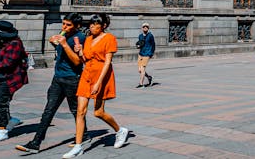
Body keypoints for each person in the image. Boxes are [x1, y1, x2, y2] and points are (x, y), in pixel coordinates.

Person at [16, 13, 85, 153]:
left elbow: (78, 62)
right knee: (49, 110)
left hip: (72, 79)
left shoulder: (80, 38)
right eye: (63, 23)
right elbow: (59, 50)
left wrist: (65, 44)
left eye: (68, 25)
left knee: (76, 111)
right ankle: (36, 143)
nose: (64, 27)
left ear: (77, 26)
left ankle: (85, 134)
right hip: (58, 78)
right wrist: (53, 41)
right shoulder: (63, 33)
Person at [63, 13, 128, 158]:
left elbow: (107, 62)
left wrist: (99, 82)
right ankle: (78, 146)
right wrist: (79, 53)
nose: (91, 26)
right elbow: (85, 60)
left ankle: (120, 130)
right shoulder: (88, 39)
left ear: (103, 26)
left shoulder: (109, 38)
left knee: (98, 112)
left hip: (101, 76)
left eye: (95, 24)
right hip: (86, 75)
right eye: (90, 24)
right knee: (80, 111)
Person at [0, 20, 28, 143]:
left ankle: (2, 130)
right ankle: (10, 120)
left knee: (1, 104)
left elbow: (7, 64)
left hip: (8, 80)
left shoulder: (15, 44)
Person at [136, 22, 155, 88]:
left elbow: (153, 45)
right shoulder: (140, 36)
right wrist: (138, 46)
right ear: (142, 28)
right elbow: (140, 44)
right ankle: (149, 77)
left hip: (147, 54)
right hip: (141, 54)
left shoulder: (150, 36)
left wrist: (151, 53)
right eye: (144, 27)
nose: (145, 28)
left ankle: (141, 84)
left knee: (143, 69)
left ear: (148, 28)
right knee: (140, 70)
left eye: (146, 27)